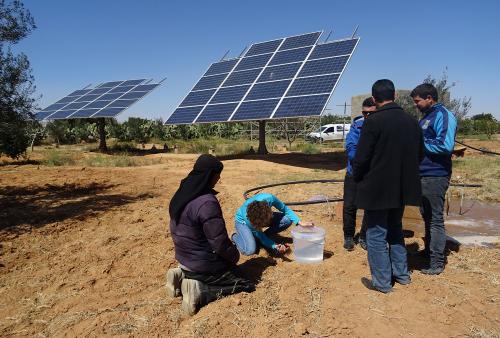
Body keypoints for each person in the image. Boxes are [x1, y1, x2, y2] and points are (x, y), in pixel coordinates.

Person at [353, 79, 423, 293]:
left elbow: (362, 158)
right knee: (395, 230)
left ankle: (382, 282)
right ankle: (402, 275)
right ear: (395, 96)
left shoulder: (373, 121)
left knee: (375, 234)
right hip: (401, 189)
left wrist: (358, 177)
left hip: (377, 189)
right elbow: (420, 155)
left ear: (374, 99)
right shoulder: (412, 121)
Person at [166, 154, 254, 315]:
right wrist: (234, 255)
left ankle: (179, 274)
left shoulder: (183, 192)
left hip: (184, 258)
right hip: (201, 264)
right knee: (244, 282)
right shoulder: (206, 202)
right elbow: (219, 242)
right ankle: (200, 291)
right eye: (217, 175)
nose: (218, 179)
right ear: (210, 175)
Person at [411, 83, 457, 275]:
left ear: (429, 98)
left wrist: (418, 142)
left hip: (435, 174)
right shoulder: (425, 118)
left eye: (418, 101)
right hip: (422, 174)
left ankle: (437, 262)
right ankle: (429, 252)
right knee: (427, 215)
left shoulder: (443, 115)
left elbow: (445, 145)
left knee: (435, 218)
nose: (416, 105)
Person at [343, 97, 377, 251]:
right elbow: (351, 148)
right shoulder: (357, 126)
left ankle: (364, 236)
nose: (367, 116)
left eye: (370, 113)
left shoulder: (382, 127)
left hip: (372, 175)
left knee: (369, 207)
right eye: (364, 113)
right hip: (354, 173)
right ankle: (349, 237)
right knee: (350, 206)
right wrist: (365, 161)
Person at [232, 193, 313, 255]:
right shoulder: (249, 219)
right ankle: (234, 236)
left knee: (287, 220)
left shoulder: (269, 198)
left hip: (259, 219)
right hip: (242, 223)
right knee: (250, 250)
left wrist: (299, 222)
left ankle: (266, 236)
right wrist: (274, 245)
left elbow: (285, 209)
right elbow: (260, 236)